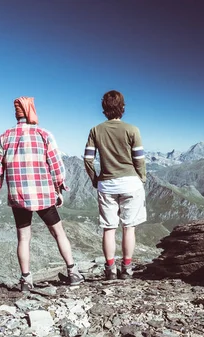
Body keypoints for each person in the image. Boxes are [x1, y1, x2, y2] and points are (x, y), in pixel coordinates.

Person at [0, 96, 84, 290]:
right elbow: (56, 166)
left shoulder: (4, 137)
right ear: (32, 111)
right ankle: (73, 272)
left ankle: (26, 280)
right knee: (58, 233)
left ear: (16, 114)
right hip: (44, 195)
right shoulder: (44, 134)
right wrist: (58, 188)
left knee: (23, 238)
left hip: (18, 196)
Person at [84, 90, 147, 280]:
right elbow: (140, 160)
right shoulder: (132, 130)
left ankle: (110, 269)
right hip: (130, 183)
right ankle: (126, 269)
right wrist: (141, 178)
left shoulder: (96, 130)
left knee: (109, 228)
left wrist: (95, 178)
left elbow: (87, 159)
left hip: (106, 184)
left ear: (104, 108)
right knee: (129, 227)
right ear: (123, 107)